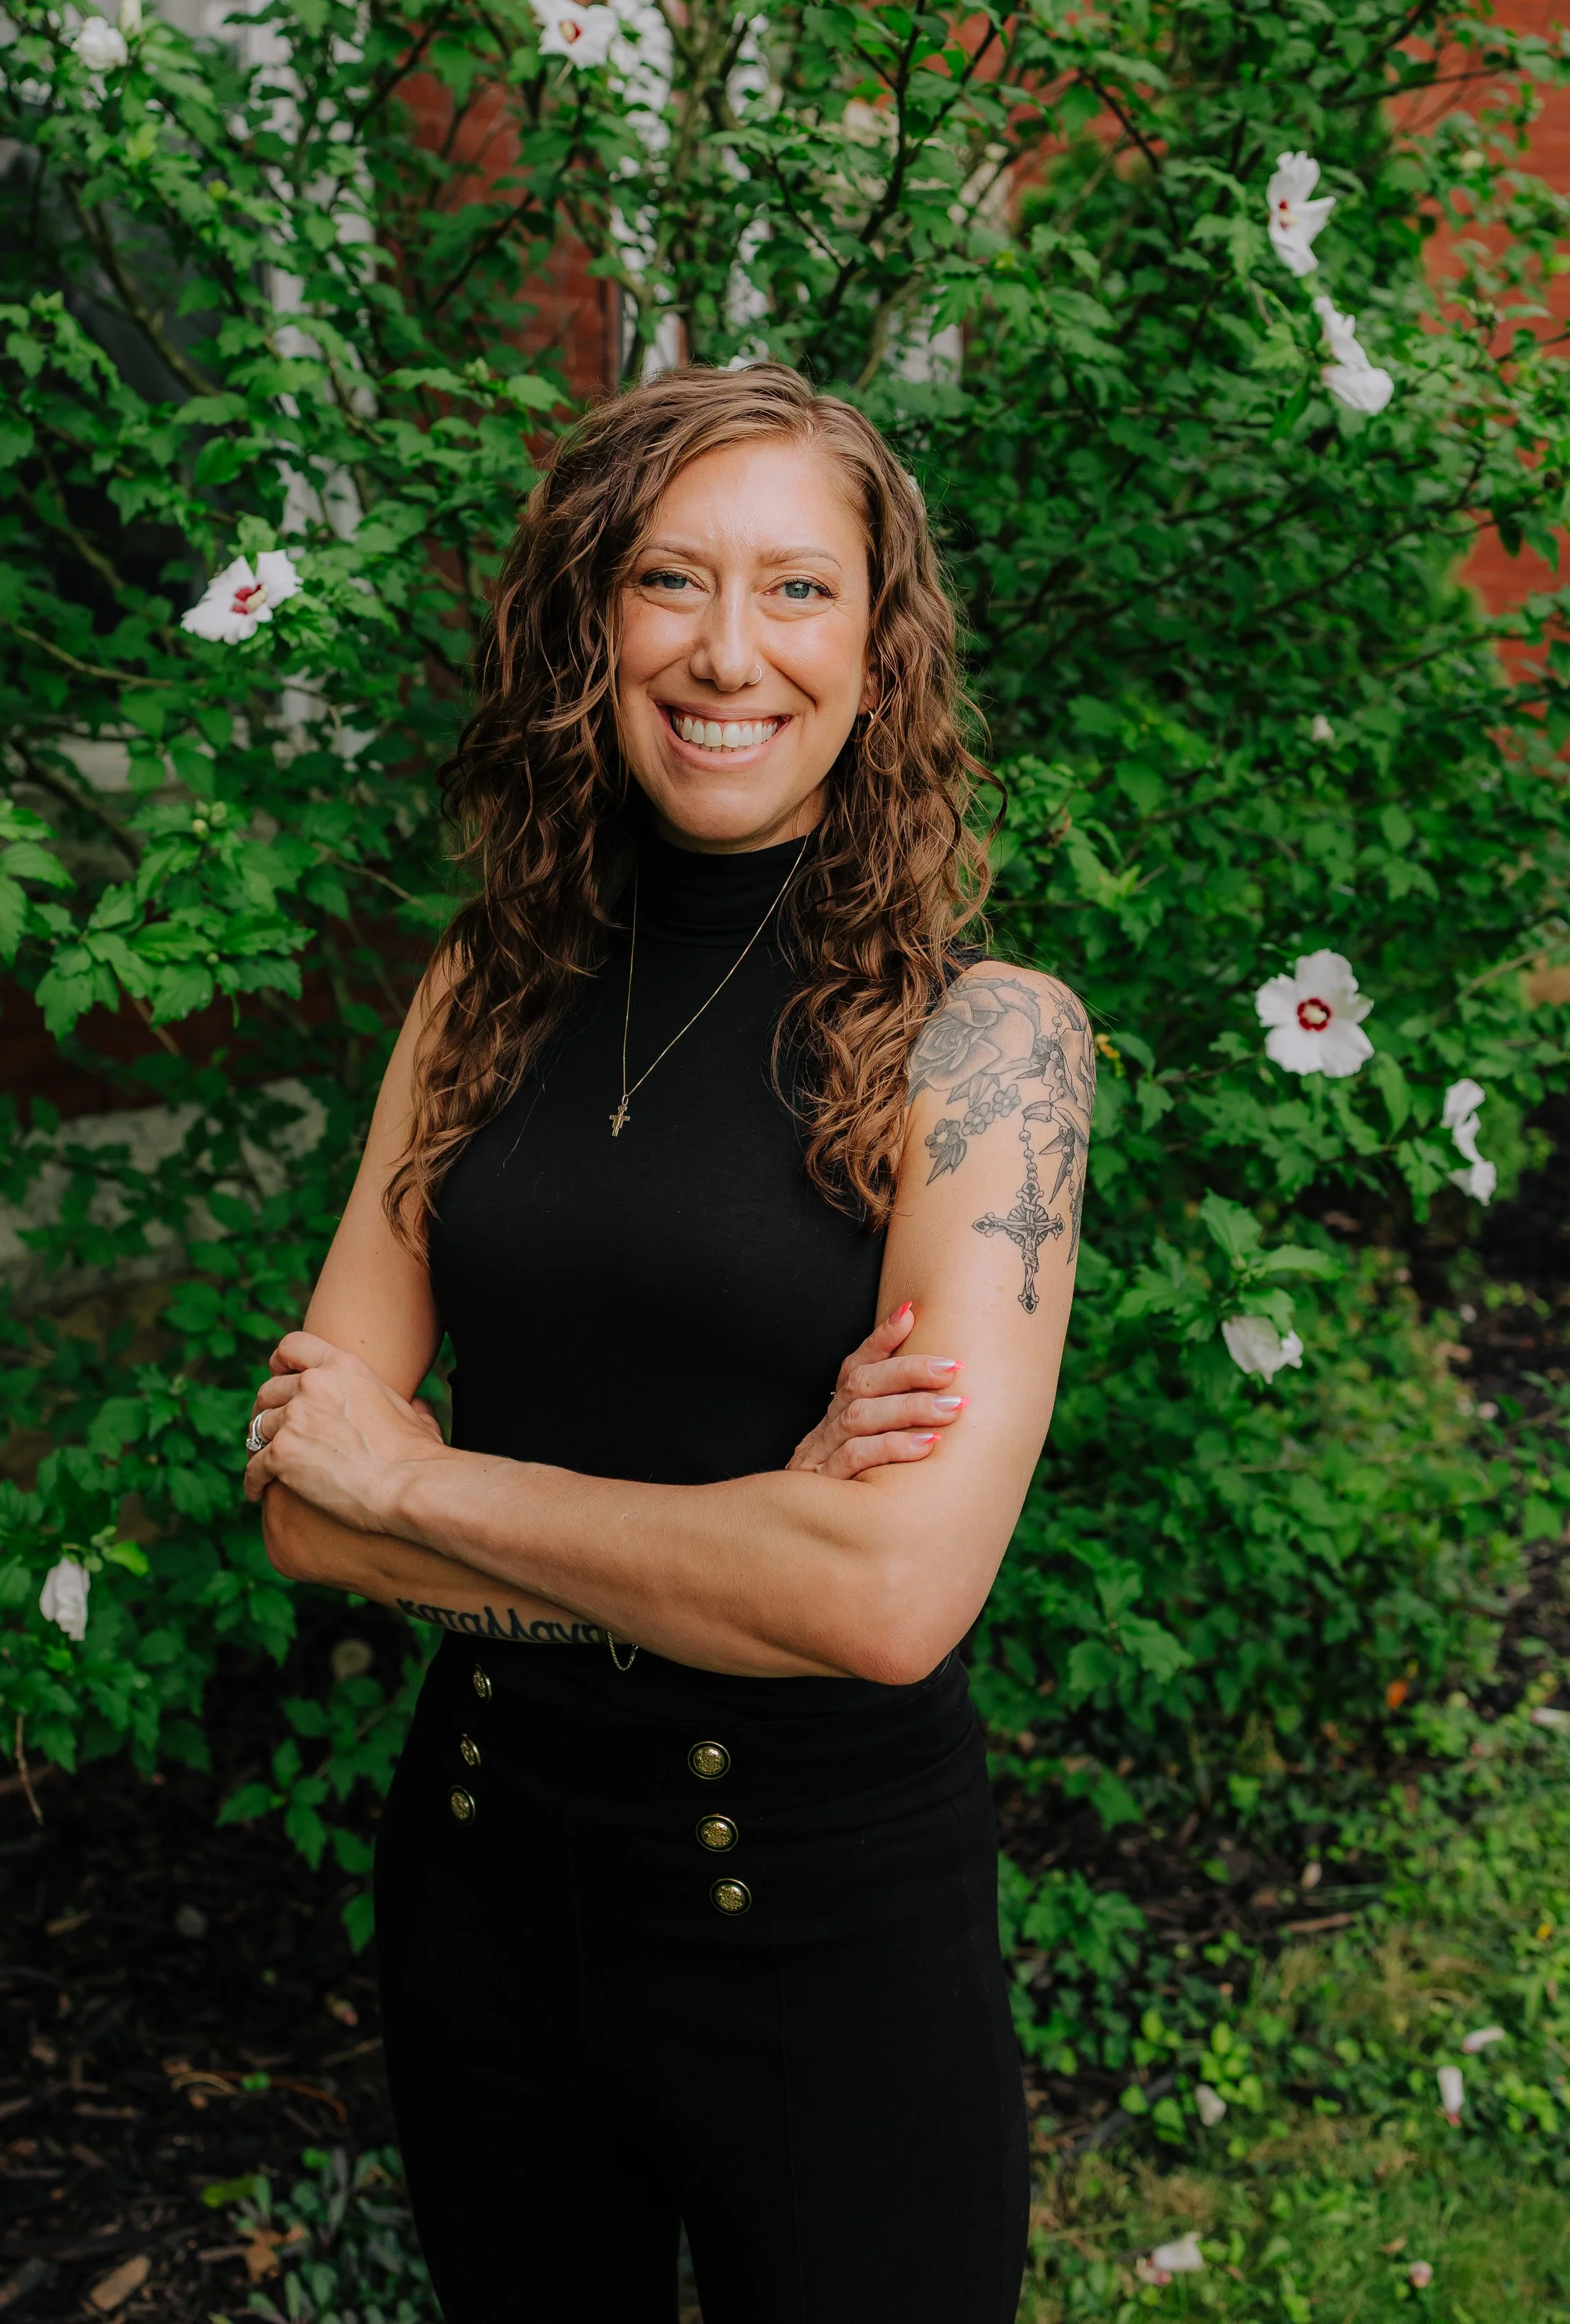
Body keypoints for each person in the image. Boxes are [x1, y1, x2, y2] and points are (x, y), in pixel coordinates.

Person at [243, 361, 1094, 2324]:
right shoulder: (480, 989)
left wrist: (433, 1488)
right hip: (476, 1884)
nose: (728, 652)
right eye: (666, 581)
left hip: (815, 1923)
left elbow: (885, 1595)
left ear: (878, 655)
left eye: (796, 589)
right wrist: (737, 1538)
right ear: (589, 626)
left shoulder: (983, 1051)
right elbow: (304, 1499)